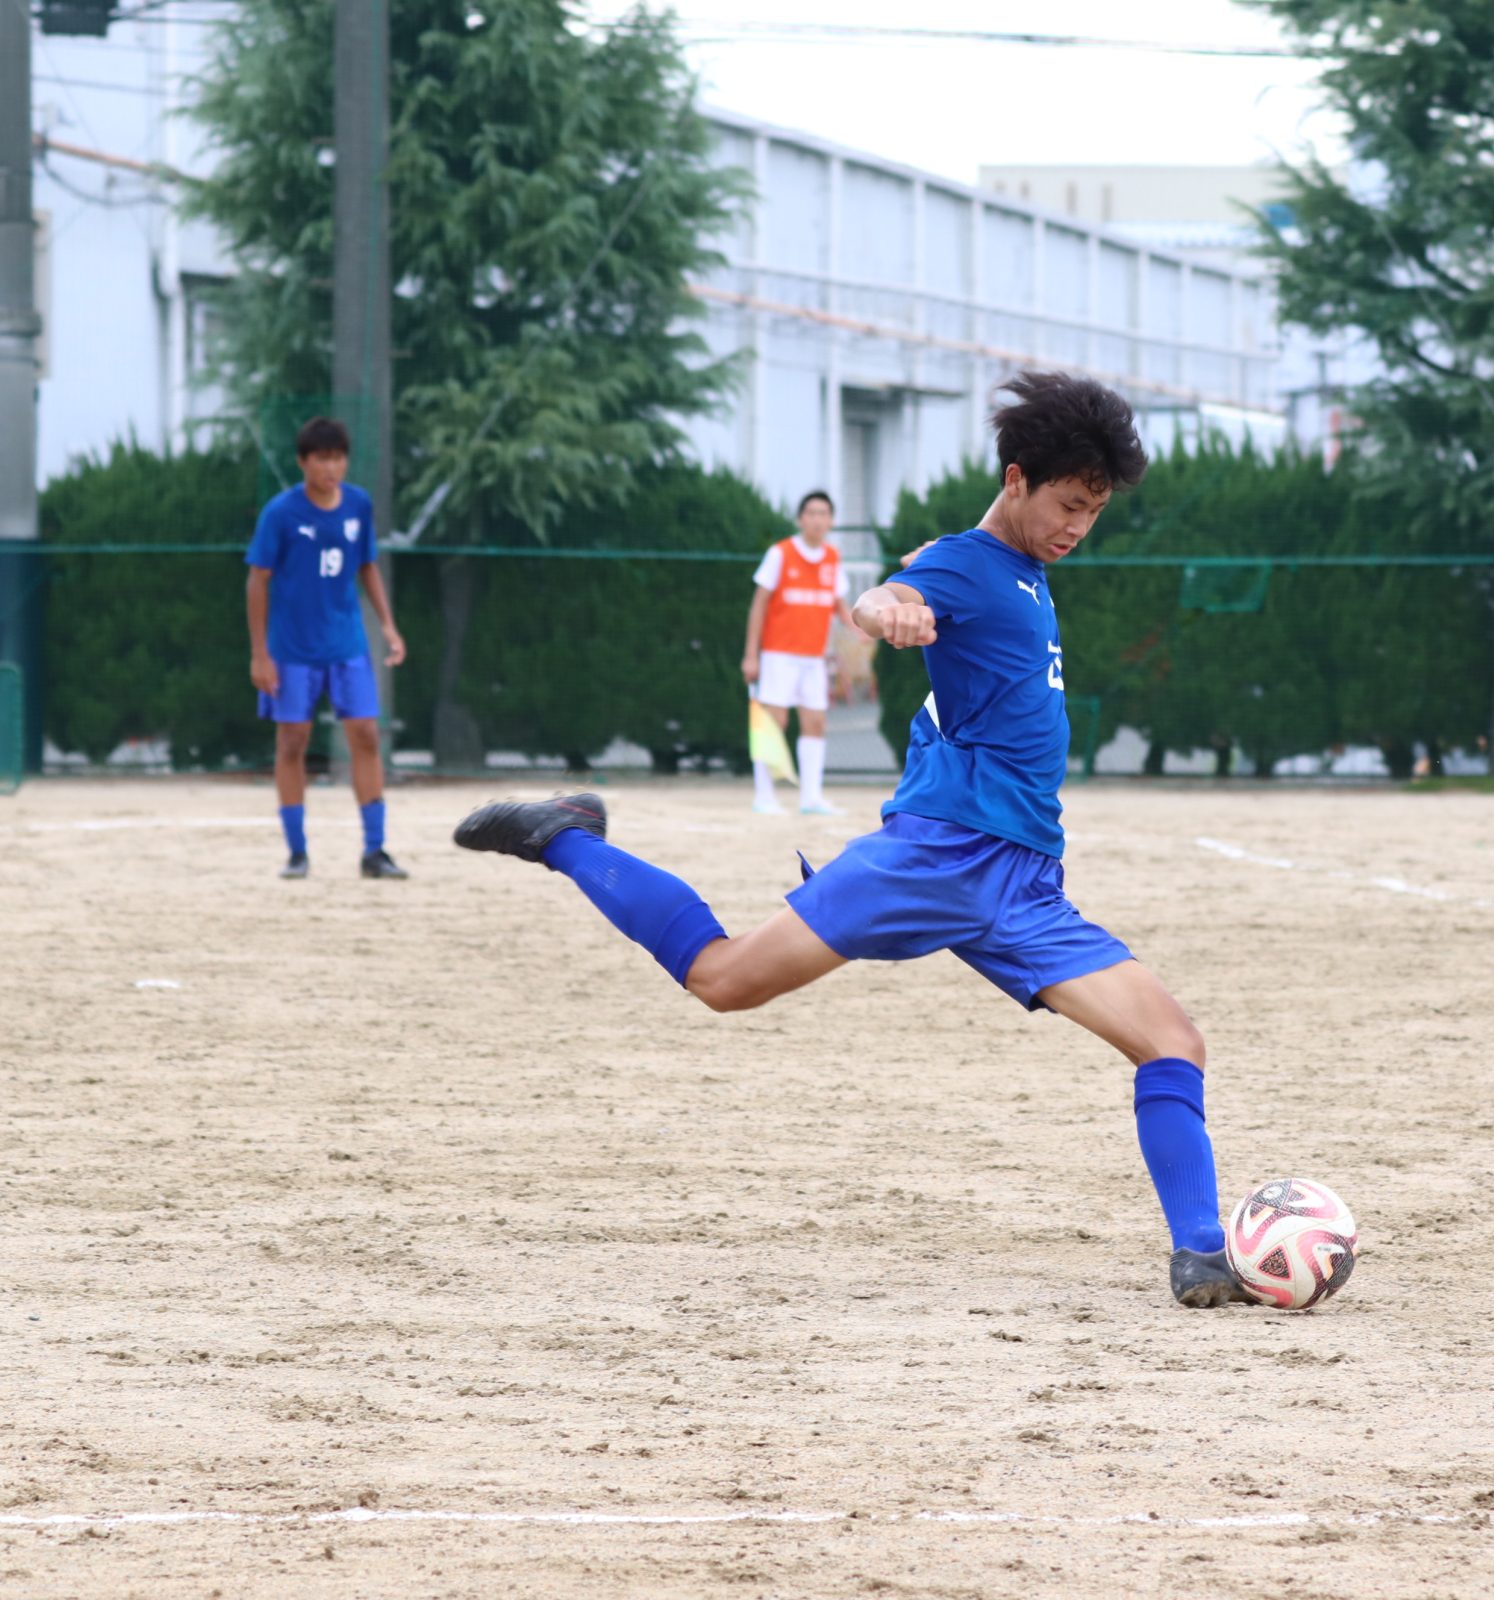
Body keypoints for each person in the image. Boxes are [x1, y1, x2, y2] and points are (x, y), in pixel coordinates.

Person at [452, 371, 1249, 1309]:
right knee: (723, 979)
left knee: (1173, 1043)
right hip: (937, 859)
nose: (1079, 525)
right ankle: (569, 838)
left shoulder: (1029, 570)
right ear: (1017, 478)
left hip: (1025, 884)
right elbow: (883, 600)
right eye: (1068, 504)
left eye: (1095, 511)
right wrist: (887, 613)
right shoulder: (963, 562)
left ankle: (1202, 1256)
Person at [245, 416, 409, 880]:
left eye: (338, 457)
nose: (331, 467)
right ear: (303, 462)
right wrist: (260, 653)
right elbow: (257, 581)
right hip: (291, 650)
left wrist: (390, 627)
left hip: (347, 645)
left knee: (366, 735)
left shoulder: (358, 505)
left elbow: (368, 568)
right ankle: (297, 853)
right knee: (293, 741)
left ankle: (375, 852)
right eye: (321, 458)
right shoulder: (280, 514)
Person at [743, 491, 861, 816]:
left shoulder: (833, 559)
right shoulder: (780, 554)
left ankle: (811, 798)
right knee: (773, 722)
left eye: (824, 513)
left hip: (814, 657)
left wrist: (865, 629)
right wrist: (751, 655)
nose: (818, 519)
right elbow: (759, 604)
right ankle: (764, 796)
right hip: (779, 654)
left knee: (816, 722)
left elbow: (841, 608)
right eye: (811, 513)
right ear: (800, 519)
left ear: (831, 521)